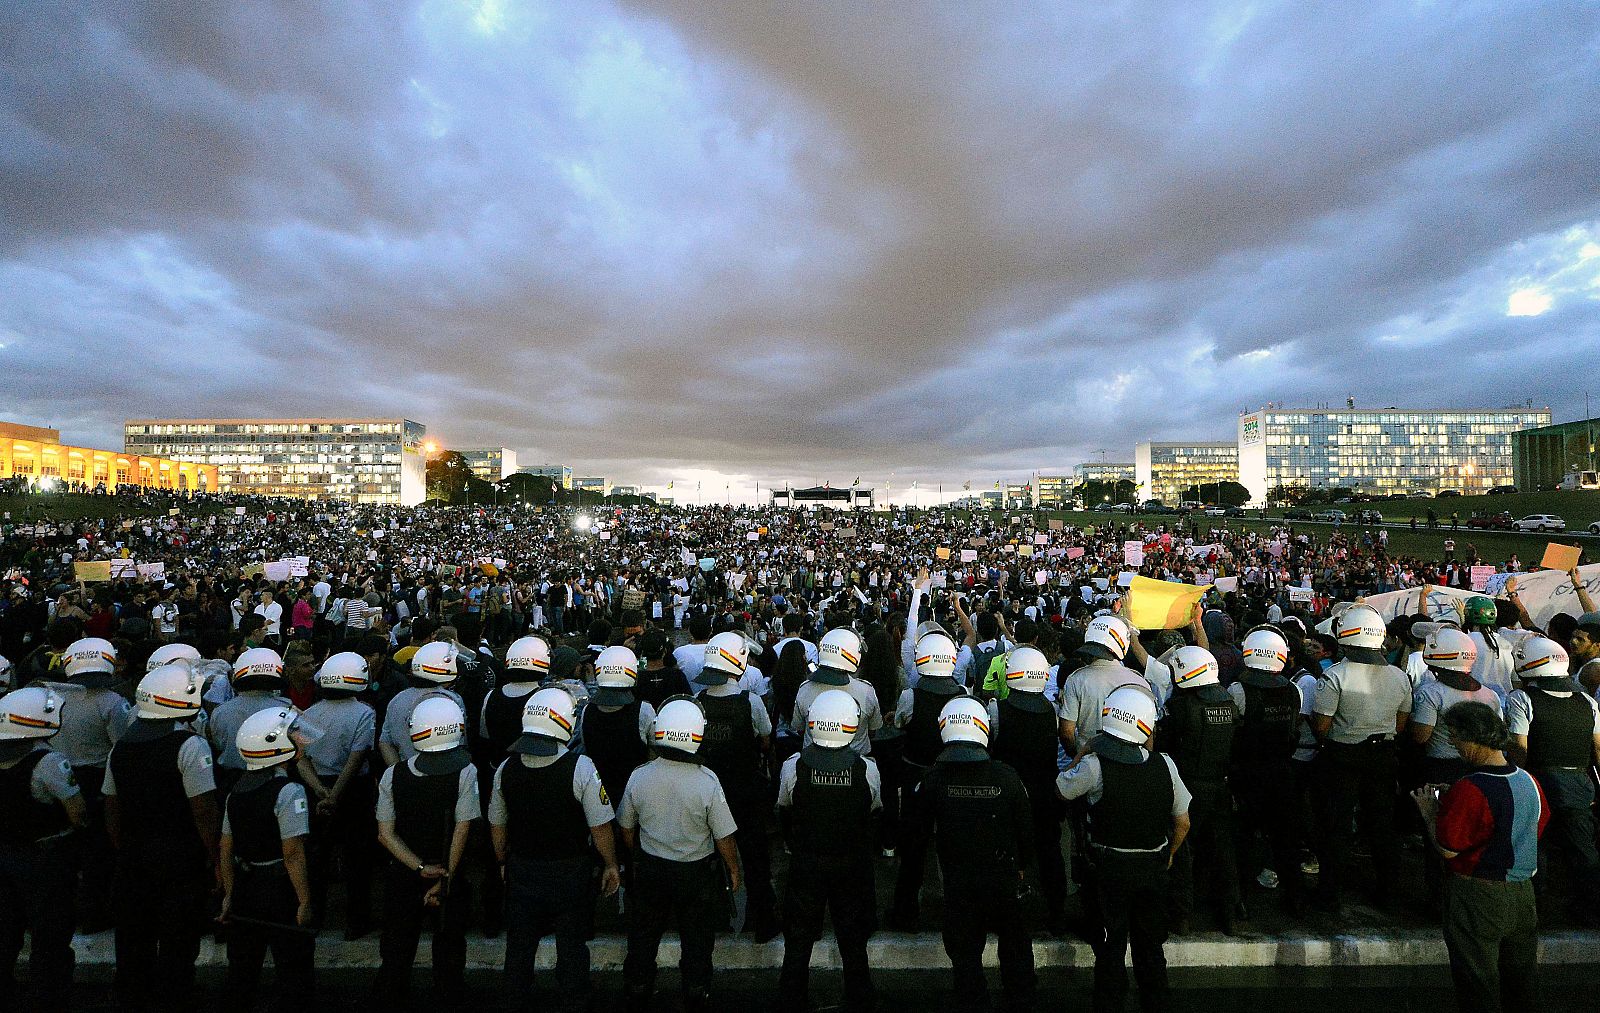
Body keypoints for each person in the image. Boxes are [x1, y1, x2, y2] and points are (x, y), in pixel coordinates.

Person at [1058, 685, 1191, 1013]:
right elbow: (1183, 822)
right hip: (1153, 868)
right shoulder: (1166, 765)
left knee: (1110, 948)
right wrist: (1169, 854)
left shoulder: (1093, 767)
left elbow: (1062, 790)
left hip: (1109, 870)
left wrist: (1083, 751)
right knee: (1151, 948)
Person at [491, 686, 621, 1013]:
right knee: (572, 945)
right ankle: (574, 999)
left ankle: (513, 999)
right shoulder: (581, 767)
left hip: (523, 868)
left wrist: (502, 860)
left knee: (519, 947)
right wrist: (610, 864)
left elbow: (497, 824)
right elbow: (600, 826)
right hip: (570, 870)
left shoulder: (505, 769)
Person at [1412, 702, 1547, 1013]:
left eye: (1455, 737)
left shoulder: (1470, 788)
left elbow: (1448, 849)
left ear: (1469, 737)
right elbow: (1532, 826)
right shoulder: (1529, 781)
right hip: (1523, 893)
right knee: (1521, 983)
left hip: (1477, 895)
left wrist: (1430, 812)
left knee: (1478, 984)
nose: (1454, 744)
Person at [903, 695, 1034, 1009]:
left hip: (959, 883)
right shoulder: (1007, 776)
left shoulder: (933, 780)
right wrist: (1023, 866)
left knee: (966, 960)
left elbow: (916, 836)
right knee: (1016, 955)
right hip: (1004, 878)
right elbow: (1026, 831)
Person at [103, 663, 220, 1012]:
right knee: (177, 941)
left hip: (134, 858)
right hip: (179, 860)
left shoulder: (120, 748)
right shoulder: (191, 746)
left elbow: (111, 806)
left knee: (133, 940)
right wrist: (215, 858)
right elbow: (204, 810)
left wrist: (123, 846)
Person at [618, 697, 741, 1013]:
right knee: (697, 938)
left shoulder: (639, 775)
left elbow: (626, 827)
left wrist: (638, 856)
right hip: (695, 872)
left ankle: (637, 988)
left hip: (650, 868)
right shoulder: (706, 781)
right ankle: (696, 991)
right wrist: (733, 868)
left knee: (644, 935)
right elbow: (723, 836)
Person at [776, 688, 881, 1013]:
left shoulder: (793, 767)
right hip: (851, 865)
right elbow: (874, 811)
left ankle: (791, 1000)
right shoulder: (868, 769)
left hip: (807, 864)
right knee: (852, 941)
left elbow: (784, 808)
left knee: (799, 940)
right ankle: (859, 999)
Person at [373, 695, 481, 1005]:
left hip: (403, 875)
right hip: (448, 872)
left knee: (396, 950)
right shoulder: (466, 771)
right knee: (448, 951)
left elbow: (385, 834)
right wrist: (443, 875)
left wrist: (419, 867)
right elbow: (462, 829)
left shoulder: (393, 774)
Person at [1310, 603, 1412, 913]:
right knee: (1382, 827)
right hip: (1383, 755)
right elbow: (1401, 722)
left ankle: (1329, 895)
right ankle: (1388, 892)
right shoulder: (1398, 676)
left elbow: (1322, 727)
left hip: (1343, 756)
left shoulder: (1334, 675)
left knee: (1337, 827)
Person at [219, 706, 316, 1007]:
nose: (302, 739)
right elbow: (293, 853)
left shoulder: (236, 791)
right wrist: (304, 900)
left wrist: (229, 894)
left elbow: (226, 846)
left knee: (243, 970)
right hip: (279, 891)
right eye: (294, 735)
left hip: (247, 887)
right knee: (293, 970)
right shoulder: (289, 792)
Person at [0, 685, 85, 1012]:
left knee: (5, 932)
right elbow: (76, 812)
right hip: (43, 860)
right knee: (50, 936)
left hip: (5, 856)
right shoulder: (48, 761)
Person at [691, 631, 779, 941]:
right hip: (745, 791)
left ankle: (715, 919)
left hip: (708, 792)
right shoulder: (751, 701)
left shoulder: (697, 702)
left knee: (708, 858)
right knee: (755, 859)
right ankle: (763, 921)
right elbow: (766, 739)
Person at [1505, 636, 1600, 919]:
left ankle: (1535, 908)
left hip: (1538, 781)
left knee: (1535, 845)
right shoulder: (1586, 701)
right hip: (1579, 784)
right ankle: (1590, 906)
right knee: (1582, 848)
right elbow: (1597, 747)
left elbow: (1519, 747)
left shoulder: (1522, 699)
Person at [45, 636, 131, 932]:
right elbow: (121, 748)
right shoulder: (113, 703)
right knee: (98, 850)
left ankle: (63, 913)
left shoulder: (54, 698)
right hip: (97, 780)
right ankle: (93, 913)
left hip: (57, 775)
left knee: (66, 850)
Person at [1155, 643, 1240, 934]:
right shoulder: (1228, 701)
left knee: (1180, 850)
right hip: (1220, 783)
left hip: (1188, 784)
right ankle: (1230, 910)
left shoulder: (1180, 706)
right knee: (1222, 847)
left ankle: (1181, 915)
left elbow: (1163, 745)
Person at [987, 645, 1069, 934]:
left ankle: (1002, 913)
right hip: (1043, 792)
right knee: (1049, 853)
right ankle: (1057, 912)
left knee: (1004, 853)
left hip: (1006, 794)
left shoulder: (996, 709)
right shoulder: (1053, 711)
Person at [887, 630, 967, 931]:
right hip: (951, 778)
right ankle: (958, 913)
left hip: (917, 779)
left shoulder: (910, 695)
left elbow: (899, 722)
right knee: (955, 848)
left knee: (913, 850)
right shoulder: (962, 695)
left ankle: (906, 911)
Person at [300, 651, 377, 938]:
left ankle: (315, 916)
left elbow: (300, 756)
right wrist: (335, 795)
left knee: (318, 856)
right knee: (357, 858)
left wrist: (320, 791)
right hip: (353, 790)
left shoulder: (309, 713)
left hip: (316, 787)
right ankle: (356, 921)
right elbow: (356, 758)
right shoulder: (364, 713)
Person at [1228, 626, 1305, 912]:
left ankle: (1242, 901)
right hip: (1282, 772)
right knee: (1285, 839)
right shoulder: (1293, 690)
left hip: (1247, 774)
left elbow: (1234, 732)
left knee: (1244, 839)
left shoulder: (1238, 689)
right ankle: (1294, 899)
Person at [1056, 614, 1149, 757]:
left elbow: (1067, 732)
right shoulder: (1140, 682)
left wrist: (1078, 757)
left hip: (1088, 762)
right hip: (1130, 763)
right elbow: (1148, 735)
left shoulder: (1076, 679)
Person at [208, 646, 292, 795]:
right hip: (273, 783)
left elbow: (219, 744)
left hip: (231, 784)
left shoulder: (221, 712)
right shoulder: (285, 708)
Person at [792, 627, 885, 757]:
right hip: (857, 762)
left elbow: (800, 729)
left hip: (813, 763)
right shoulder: (866, 691)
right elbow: (872, 731)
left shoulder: (805, 689)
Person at [378, 639, 466, 767]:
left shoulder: (397, 699)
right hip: (446, 774)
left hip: (406, 774)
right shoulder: (453, 700)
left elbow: (385, 742)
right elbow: (461, 744)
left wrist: (398, 772)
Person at [480, 634, 551, 759]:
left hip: (498, 764)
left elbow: (484, 735)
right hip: (530, 765)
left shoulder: (491, 696)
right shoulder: (544, 698)